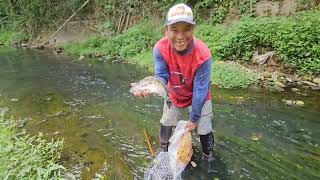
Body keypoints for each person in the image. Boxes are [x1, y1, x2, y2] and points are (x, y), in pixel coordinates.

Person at [133, 3, 215, 161]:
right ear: (166, 30)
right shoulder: (160, 48)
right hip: (174, 93)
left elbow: (200, 90)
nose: (180, 36)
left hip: (199, 95)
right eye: (174, 30)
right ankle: (163, 149)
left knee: (204, 128)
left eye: (186, 29)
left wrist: (194, 118)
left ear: (193, 29)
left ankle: (208, 154)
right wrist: (147, 88)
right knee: (166, 121)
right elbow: (161, 77)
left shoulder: (203, 54)